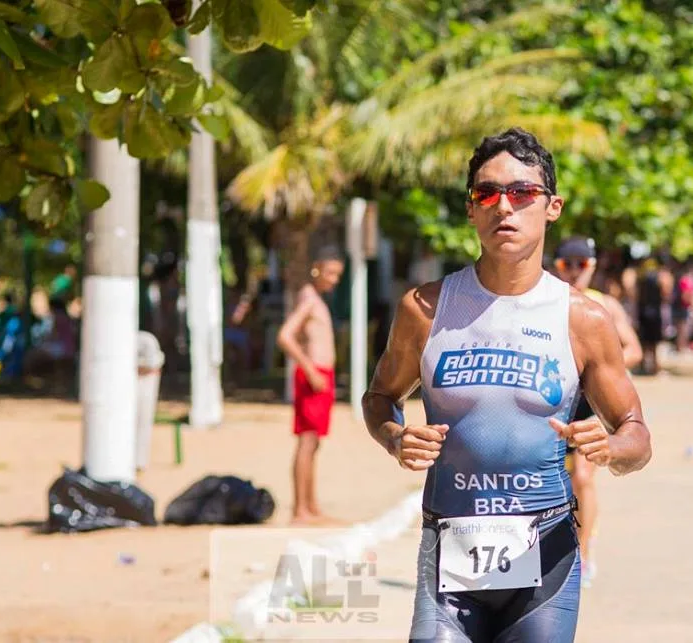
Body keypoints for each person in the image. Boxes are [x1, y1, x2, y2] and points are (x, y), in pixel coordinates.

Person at [361, 128, 652, 642]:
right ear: (471, 210)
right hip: (449, 547)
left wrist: (610, 448)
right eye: (486, 193)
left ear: (552, 207)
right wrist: (394, 437)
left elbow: (637, 434)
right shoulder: (425, 310)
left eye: (522, 193)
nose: (504, 207)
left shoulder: (583, 318)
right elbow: (379, 397)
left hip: (546, 553)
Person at [553, 236, 643, 588]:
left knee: (584, 479)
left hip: (588, 405)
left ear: (592, 267)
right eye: (567, 264)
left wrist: (599, 369)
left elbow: (632, 349)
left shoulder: (603, 305)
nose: (575, 272)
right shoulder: (545, 300)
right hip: (551, 405)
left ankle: (584, 555)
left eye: (582, 264)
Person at [276, 246, 345, 525]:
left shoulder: (316, 298)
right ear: (316, 268)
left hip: (322, 375)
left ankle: (311, 505)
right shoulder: (308, 299)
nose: (334, 279)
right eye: (330, 273)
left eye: (338, 275)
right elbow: (285, 336)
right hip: (312, 375)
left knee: (314, 442)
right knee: (306, 441)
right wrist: (308, 368)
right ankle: (299, 509)